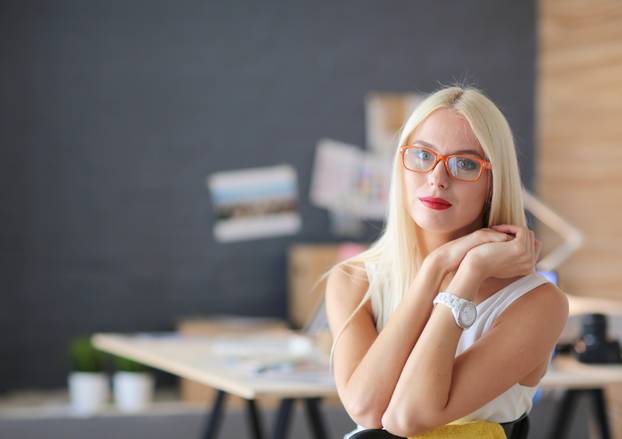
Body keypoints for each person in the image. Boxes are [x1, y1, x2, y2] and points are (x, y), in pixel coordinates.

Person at [325, 85, 569, 438]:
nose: (437, 179)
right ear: (401, 166)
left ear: (493, 181)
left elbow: (408, 417)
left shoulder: (538, 303)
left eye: (465, 163)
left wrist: (469, 274)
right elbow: (366, 407)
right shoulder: (353, 279)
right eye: (422, 156)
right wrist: (436, 268)